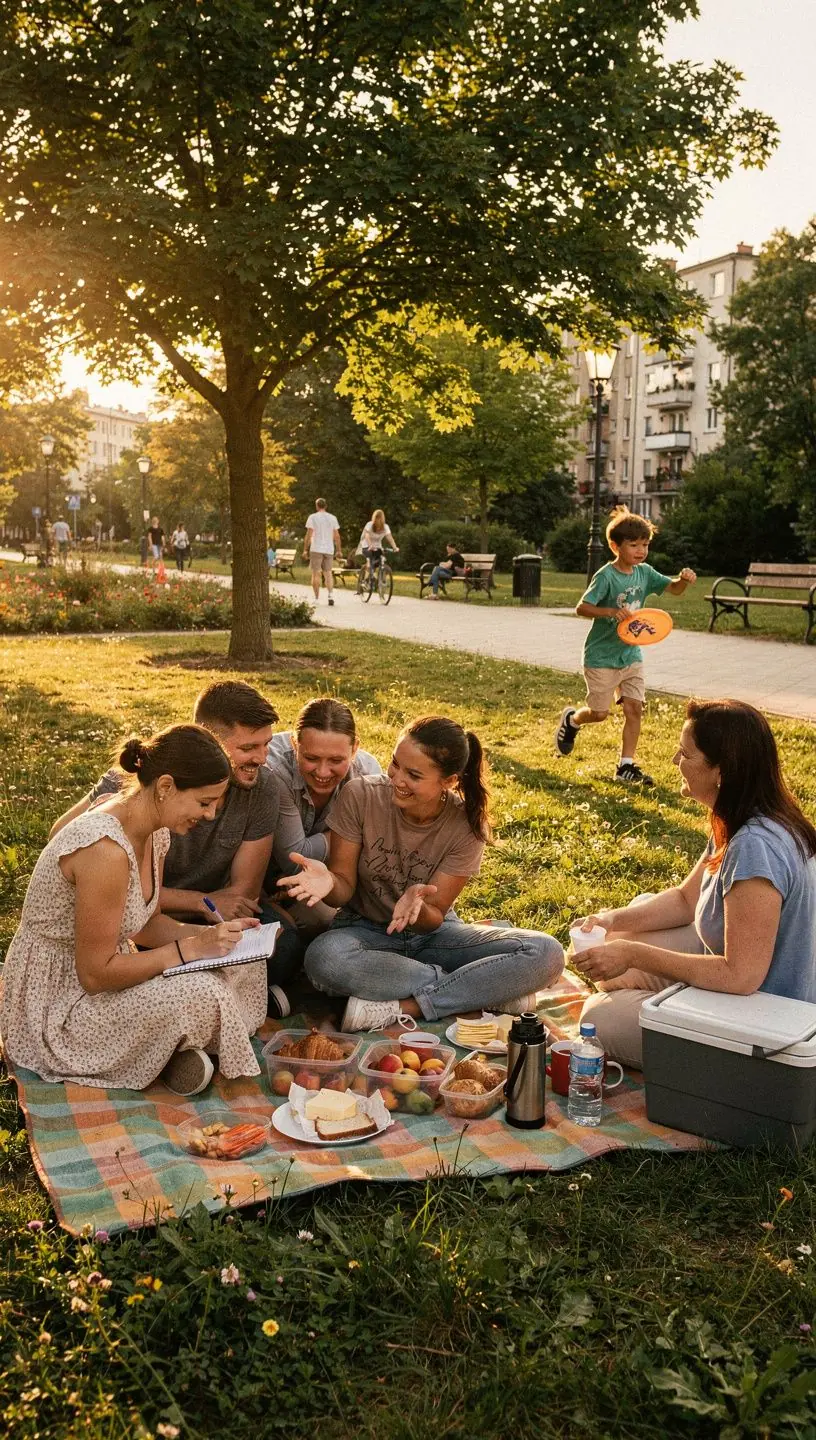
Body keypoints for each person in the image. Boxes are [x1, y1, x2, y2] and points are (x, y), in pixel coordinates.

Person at [1, 724, 267, 1096]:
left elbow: (146, 925)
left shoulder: (155, 831)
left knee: (244, 960)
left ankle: (162, 1052)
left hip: (106, 977)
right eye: (204, 802)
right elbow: (95, 974)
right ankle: (163, 1052)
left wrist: (216, 938)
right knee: (204, 993)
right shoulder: (104, 849)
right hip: (62, 1004)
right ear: (165, 787)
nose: (208, 815)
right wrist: (187, 950)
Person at [279, 716, 564, 1030]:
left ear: (450, 781)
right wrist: (329, 881)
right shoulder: (360, 796)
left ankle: (411, 1005)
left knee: (547, 953)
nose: (396, 779)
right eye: (395, 764)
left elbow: (435, 918)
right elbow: (343, 890)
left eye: (413, 774)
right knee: (324, 958)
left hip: (434, 937)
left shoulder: (466, 825)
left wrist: (419, 907)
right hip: (364, 933)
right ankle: (480, 991)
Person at [575, 699, 816, 1069]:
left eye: (685, 754)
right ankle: (676, 996)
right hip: (739, 975)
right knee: (609, 943)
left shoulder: (755, 847)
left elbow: (741, 976)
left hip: (768, 1025)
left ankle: (679, 1005)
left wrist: (633, 956)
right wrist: (611, 919)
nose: (675, 762)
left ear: (721, 771)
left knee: (597, 1018)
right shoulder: (743, 814)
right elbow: (686, 902)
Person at [49, 681, 299, 1018]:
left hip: (172, 915)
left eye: (267, 745)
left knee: (278, 950)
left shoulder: (259, 789)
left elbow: (241, 895)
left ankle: (205, 1000)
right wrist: (193, 922)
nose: (262, 758)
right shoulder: (135, 795)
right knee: (185, 975)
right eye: (248, 747)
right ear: (208, 740)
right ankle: (209, 1000)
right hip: (127, 916)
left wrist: (208, 935)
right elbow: (62, 847)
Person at [555, 507, 697, 786]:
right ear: (615, 546)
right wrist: (610, 612)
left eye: (645, 544)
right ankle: (572, 720)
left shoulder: (645, 573)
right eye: (634, 545)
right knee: (599, 713)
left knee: (634, 709)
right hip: (601, 656)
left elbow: (675, 590)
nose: (641, 550)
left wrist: (684, 580)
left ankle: (625, 766)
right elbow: (582, 607)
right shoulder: (606, 576)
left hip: (631, 653)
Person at [265, 698, 381, 935]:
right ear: (295, 744)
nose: (322, 772)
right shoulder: (274, 770)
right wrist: (350, 834)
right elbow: (296, 858)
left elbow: (375, 848)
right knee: (324, 919)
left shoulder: (367, 775)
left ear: (355, 748)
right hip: (273, 879)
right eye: (311, 758)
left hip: (337, 876)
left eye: (337, 761)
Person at [303, 498, 341, 606]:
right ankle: (330, 595)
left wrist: (305, 549)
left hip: (316, 549)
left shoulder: (312, 517)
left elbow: (309, 534)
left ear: (317, 506)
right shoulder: (333, 518)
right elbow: (337, 536)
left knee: (316, 573)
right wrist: (339, 550)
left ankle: (317, 599)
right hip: (329, 549)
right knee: (328, 573)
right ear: (326, 506)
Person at [358, 509, 399, 583]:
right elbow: (367, 535)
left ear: (382, 519)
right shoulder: (370, 524)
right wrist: (370, 545)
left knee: (381, 560)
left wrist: (395, 547)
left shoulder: (385, 527)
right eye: (376, 518)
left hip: (377, 546)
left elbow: (389, 537)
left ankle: (378, 579)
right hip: (366, 545)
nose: (377, 520)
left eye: (379, 518)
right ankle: (365, 580)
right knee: (370, 560)